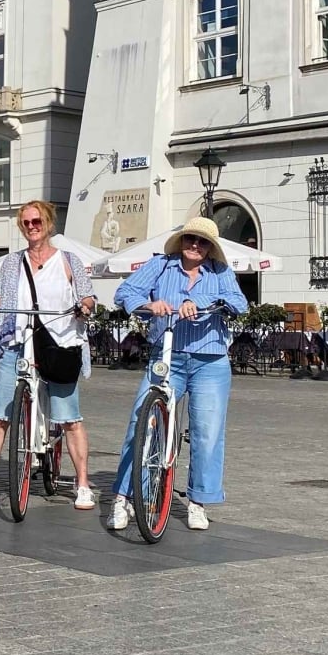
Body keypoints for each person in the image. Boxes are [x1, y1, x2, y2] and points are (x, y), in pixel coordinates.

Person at [108, 217, 248, 533]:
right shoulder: (160, 265)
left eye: (202, 242)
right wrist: (148, 304)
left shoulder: (220, 272)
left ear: (211, 247)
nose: (195, 246)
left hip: (210, 360)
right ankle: (125, 498)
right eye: (189, 240)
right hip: (167, 357)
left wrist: (196, 302)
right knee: (140, 424)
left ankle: (198, 502)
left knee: (207, 432)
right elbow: (124, 292)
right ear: (181, 241)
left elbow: (240, 303)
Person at [0, 201, 98, 511]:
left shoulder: (69, 261)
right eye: (26, 222)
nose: (31, 226)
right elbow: (1, 294)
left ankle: (82, 484)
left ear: (49, 224)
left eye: (37, 221)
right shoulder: (13, 263)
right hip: (18, 341)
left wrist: (85, 305)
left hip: (59, 342)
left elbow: (88, 295)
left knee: (69, 419)